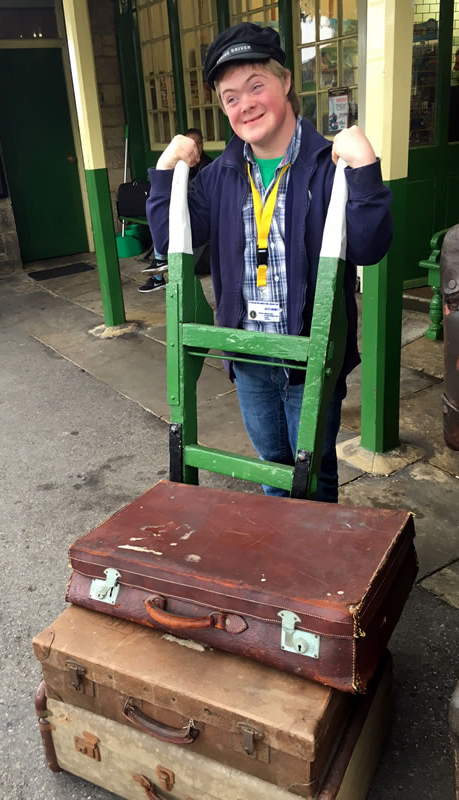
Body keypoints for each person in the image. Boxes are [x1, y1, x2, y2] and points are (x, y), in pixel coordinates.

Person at [146, 22, 392, 502]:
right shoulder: (218, 177)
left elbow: (369, 247)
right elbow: (168, 240)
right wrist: (164, 173)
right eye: (231, 97)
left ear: (285, 83)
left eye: (256, 86)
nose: (245, 104)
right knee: (271, 467)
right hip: (249, 356)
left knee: (312, 470)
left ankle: (313, 563)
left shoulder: (328, 167)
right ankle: (282, 561)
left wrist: (364, 172)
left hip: (310, 358)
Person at [139, 128, 213, 293]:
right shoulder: (184, 165)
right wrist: (164, 167)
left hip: (202, 249)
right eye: (191, 143)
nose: (196, 147)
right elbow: (166, 237)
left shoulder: (209, 167)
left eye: (199, 143)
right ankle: (158, 271)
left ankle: (159, 269)